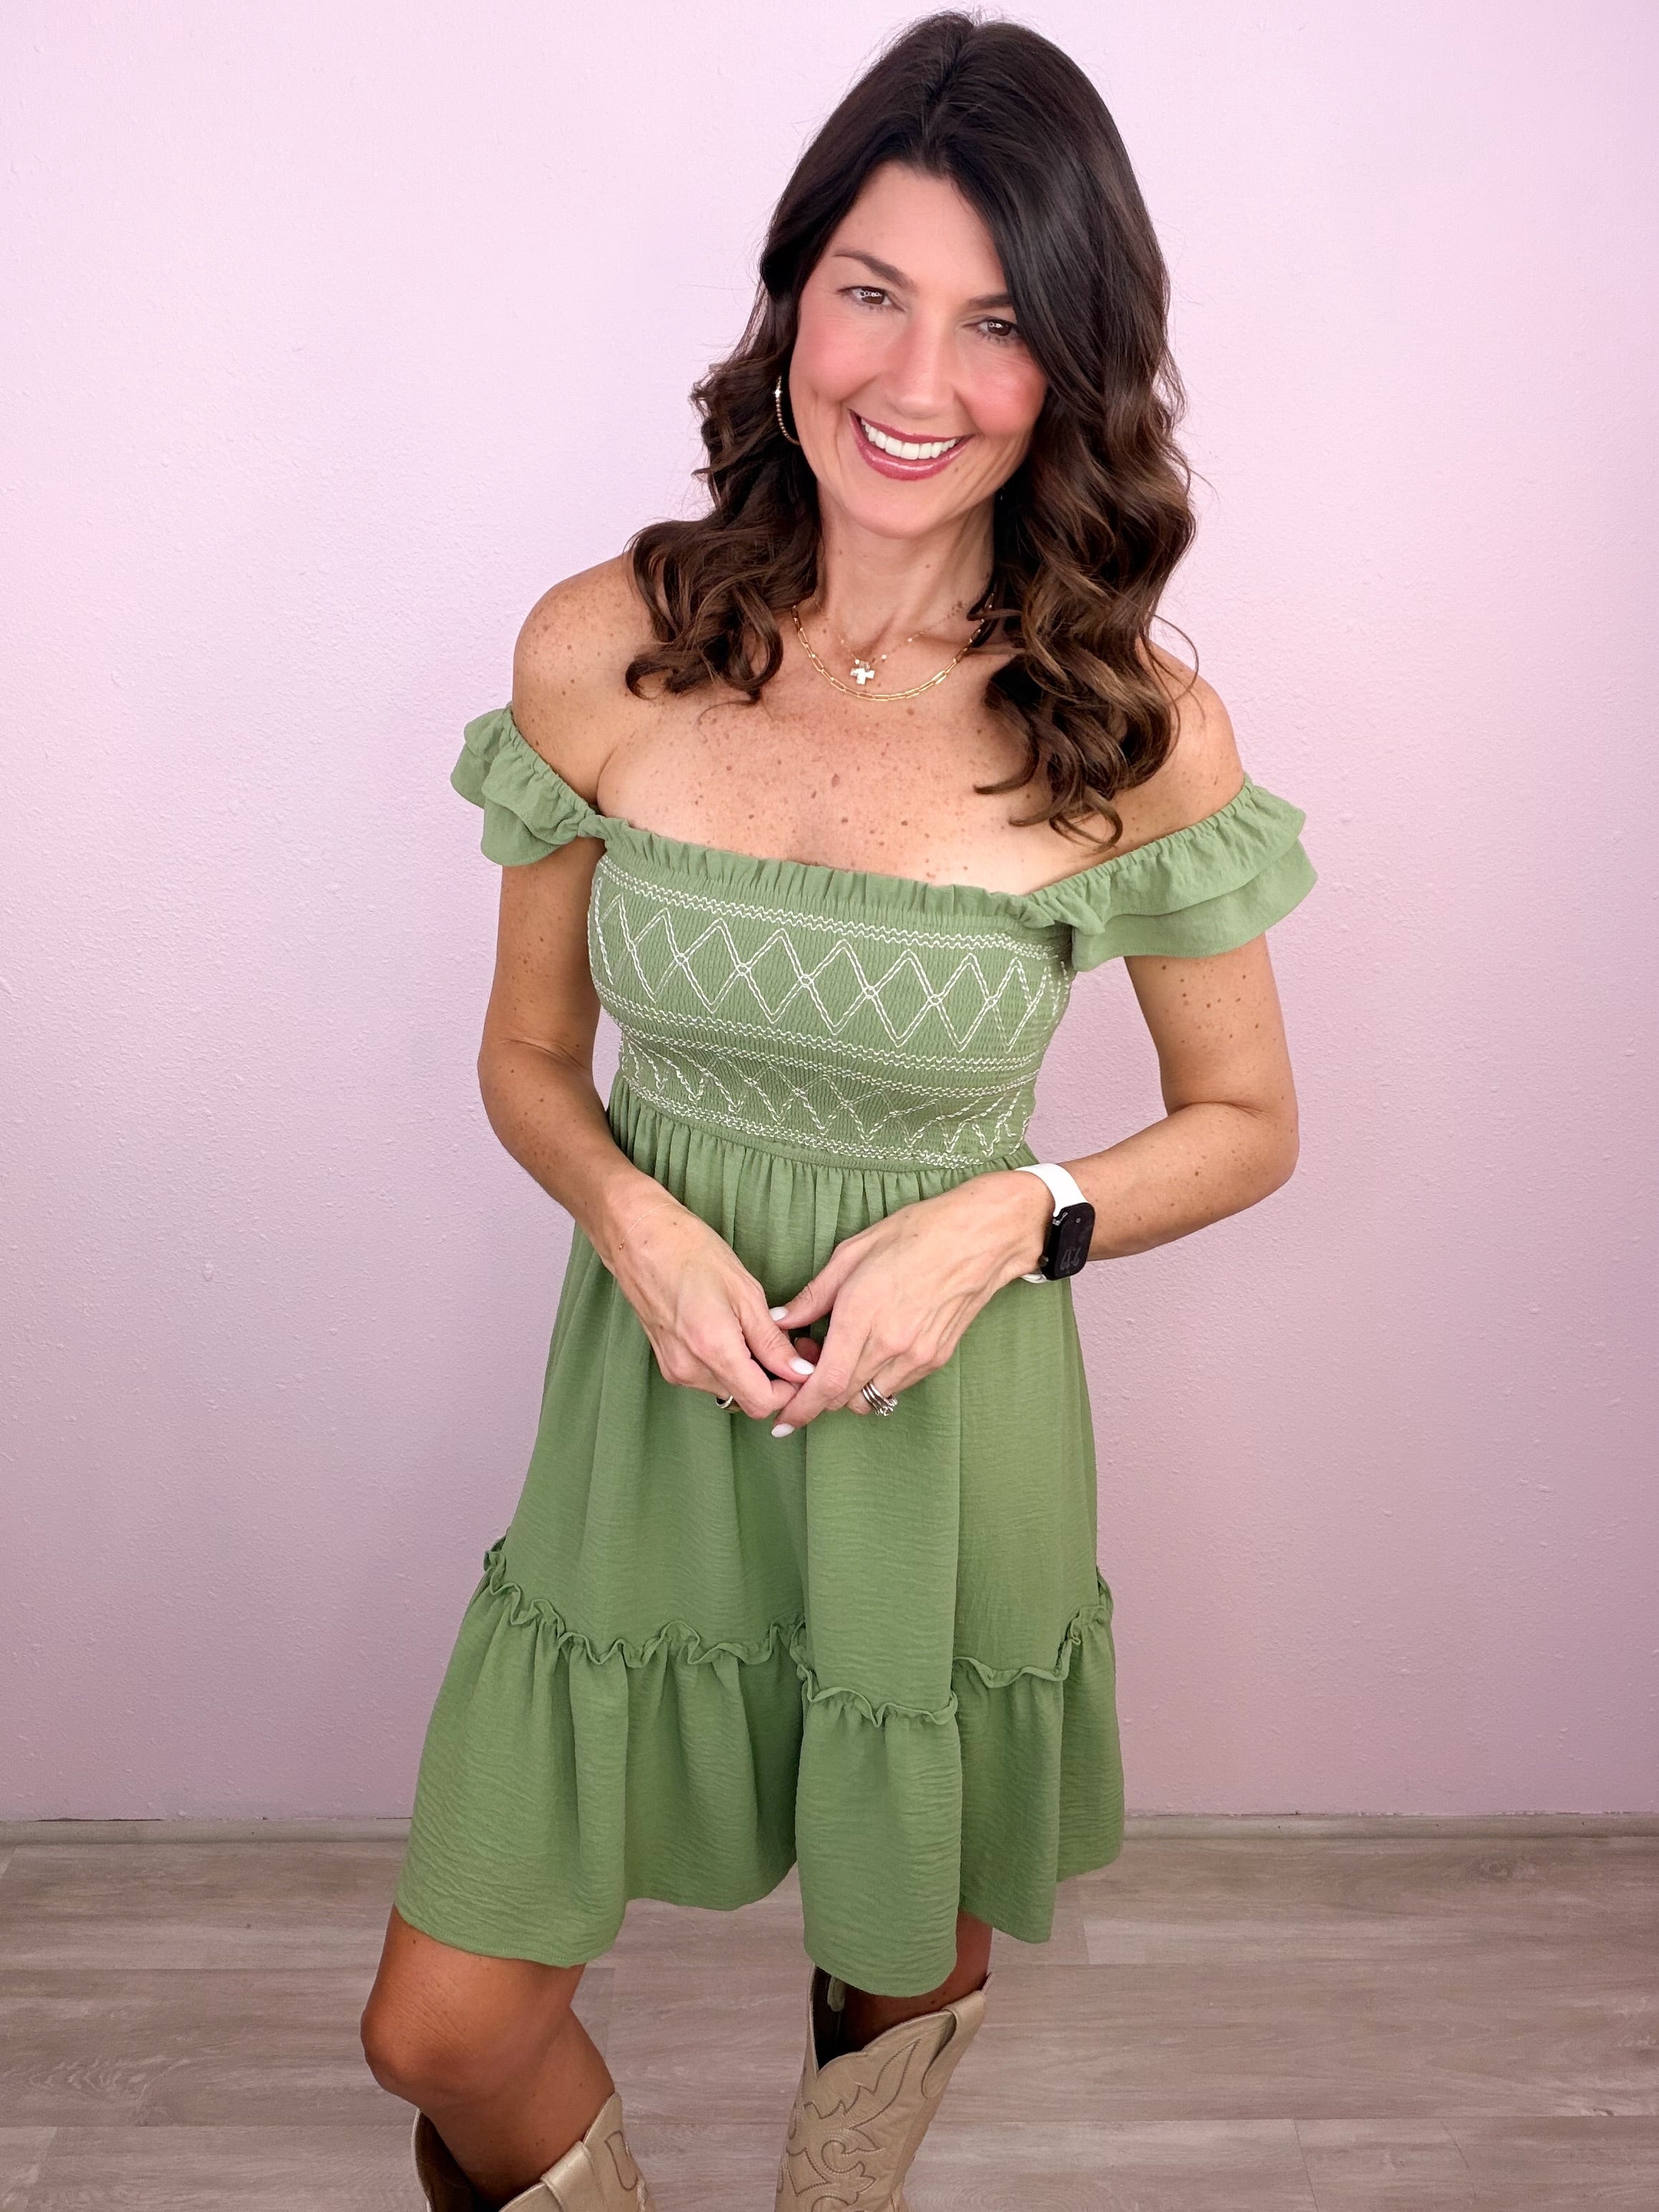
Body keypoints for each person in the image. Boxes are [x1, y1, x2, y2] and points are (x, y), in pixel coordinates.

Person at [360, 13, 1316, 2209]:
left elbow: (1245, 1117)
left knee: (902, 1942)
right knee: (444, 2028)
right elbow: (526, 1056)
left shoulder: (1127, 722)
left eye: (996, 323)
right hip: (648, 1413)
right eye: (871, 291)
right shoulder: (601, 645)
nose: (914, 377)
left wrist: (1010, 1218)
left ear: (1070, 364)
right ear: (792, 295)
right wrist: (631, 1217)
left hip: (944, 1431)